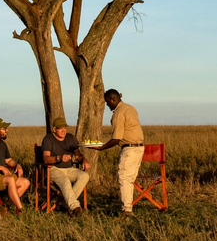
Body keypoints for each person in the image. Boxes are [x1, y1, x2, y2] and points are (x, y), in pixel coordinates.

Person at [91, 88, 144, 218]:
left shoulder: (118, 113)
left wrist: (101, 148)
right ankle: (128, 207)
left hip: (129, 149)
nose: (107, 105)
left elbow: (116, 139)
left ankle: (126, 209)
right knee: (129, 179)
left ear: (113, 99)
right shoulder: (130, 108)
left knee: (124, 178)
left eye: (107, 102)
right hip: (139, 148)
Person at [40, 117, 89, 213]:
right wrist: (59, 158)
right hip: (54, 169)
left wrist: (84, 160)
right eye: (60, 128)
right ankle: (75, 208)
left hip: (69, 169)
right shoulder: (48, 139)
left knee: (84, 176)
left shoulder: (71, 138)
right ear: (54, 129)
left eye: (65, 128)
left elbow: (78, 155)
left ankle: (65, 204)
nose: (63, 131)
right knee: (65, 181)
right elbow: (46, 159)